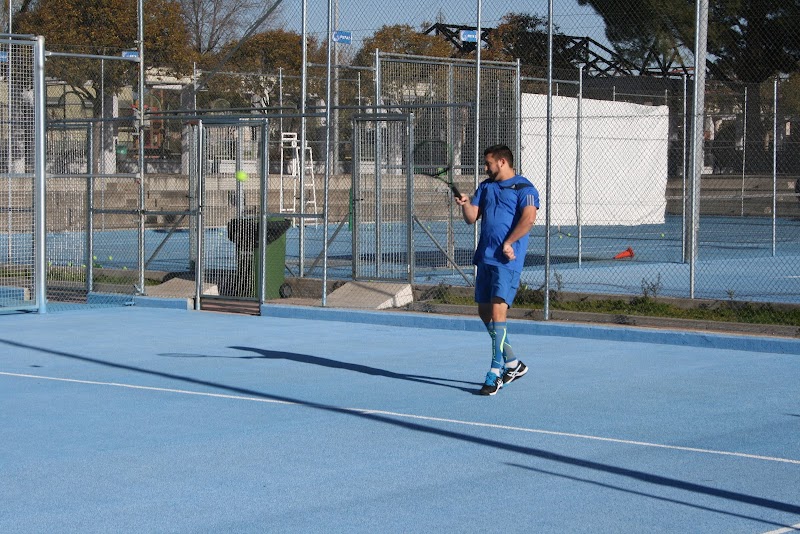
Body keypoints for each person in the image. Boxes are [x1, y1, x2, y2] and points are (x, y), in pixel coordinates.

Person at [455, 144, 539, 396]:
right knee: (484, 313)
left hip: (507, 260)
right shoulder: (486, 186)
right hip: (485, 258)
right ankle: (513, 363)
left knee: (498, 312)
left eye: (488, 163)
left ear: (502, 162)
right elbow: (472, 217)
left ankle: (495, 371)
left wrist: (509, 242)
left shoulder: (525, 188)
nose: (485, 167)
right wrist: (465, 203)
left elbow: (529, 218)